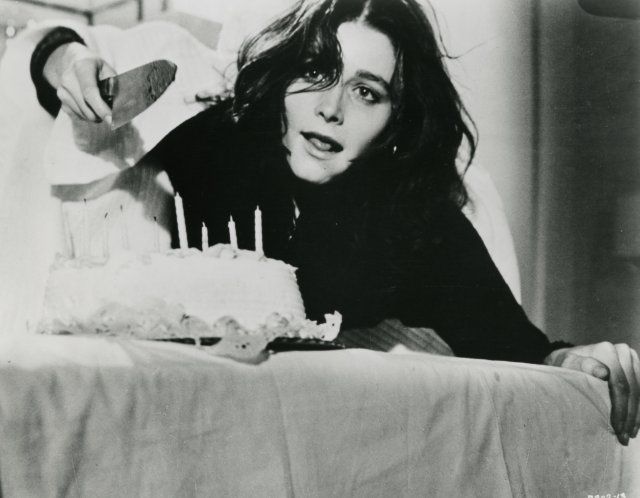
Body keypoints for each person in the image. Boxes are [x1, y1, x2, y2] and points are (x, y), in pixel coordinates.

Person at [30, 0, 639, 445]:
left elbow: (520, 350)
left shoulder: (416, 220)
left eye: (367, 92)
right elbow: (52, 54)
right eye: (316, 72)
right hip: (174, 420)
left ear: (397, 123)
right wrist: (69, 59)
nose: (331, 107)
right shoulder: (222, 138)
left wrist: (581, 361)